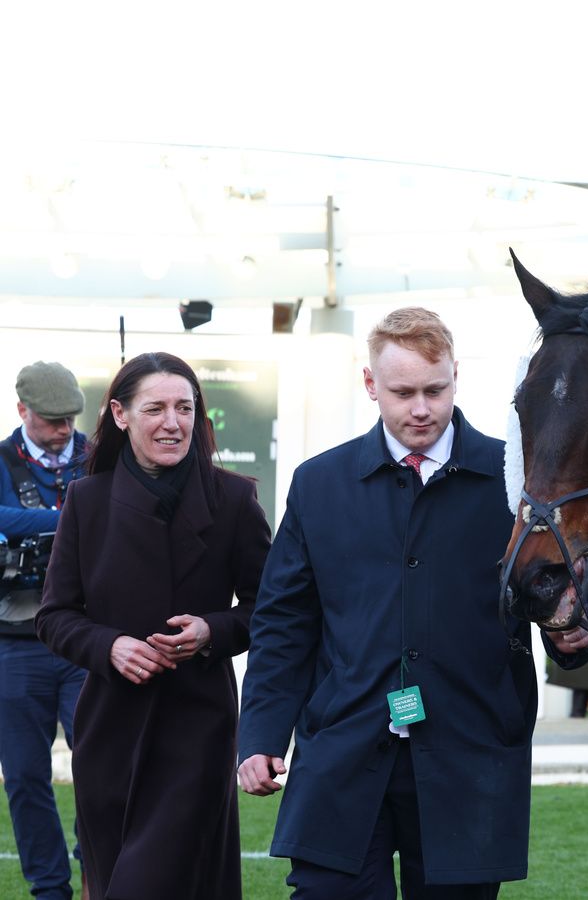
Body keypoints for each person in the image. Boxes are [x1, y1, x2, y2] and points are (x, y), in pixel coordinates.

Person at [237, 307, 538, 898]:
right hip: (342, 752)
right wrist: (262, 734)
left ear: (457, 377)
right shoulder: (318, 483)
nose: (420, 408)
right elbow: (283, 622)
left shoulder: (518, 481)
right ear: (371, 385)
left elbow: (558, 595)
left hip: (470, 756)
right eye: (402, 392)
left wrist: (573, 634)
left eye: (435, 389)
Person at [36, 352, 271, 899]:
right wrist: (109, 645)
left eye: (185, 408)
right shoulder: (86, 501)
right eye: (157, 408)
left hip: (198, 731)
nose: (174, 422)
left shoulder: (235, 498)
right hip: (109, 733)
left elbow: (270, 608)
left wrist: (212, 631)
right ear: (120, 414)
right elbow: (55, 615)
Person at [0, 362, 89, 900]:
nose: (64, 430)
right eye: (53, 420)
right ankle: (49, 889)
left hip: (85, 638)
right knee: (26, 777)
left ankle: (96, 872)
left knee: (101, 766)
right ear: (22, 412)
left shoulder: (100, 453)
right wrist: (73, 516)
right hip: (14, 644)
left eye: (70, 420)